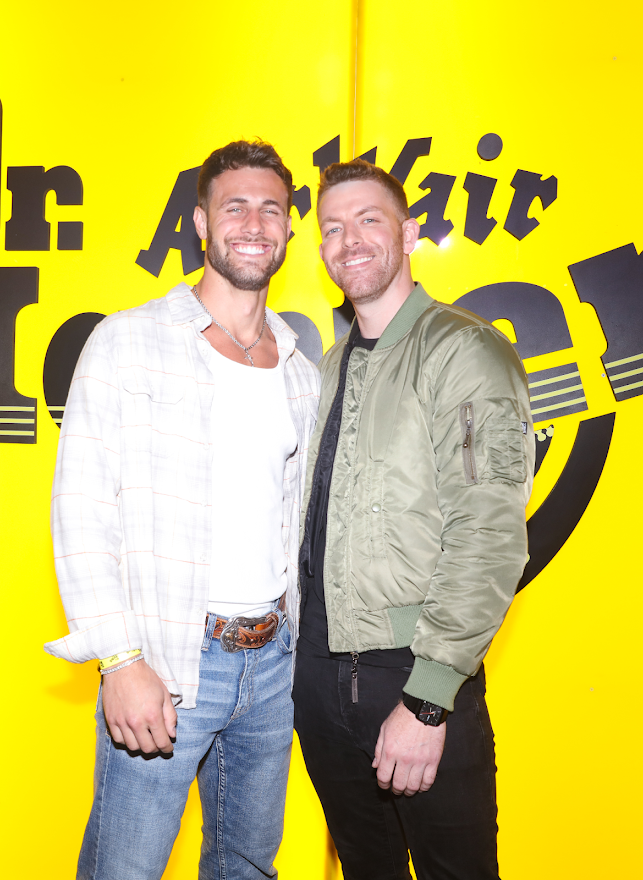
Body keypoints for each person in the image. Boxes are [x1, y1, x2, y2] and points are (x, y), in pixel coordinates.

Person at [44, 139, 320, 880]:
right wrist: (120, 659)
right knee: (124, 870)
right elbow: (80, 509)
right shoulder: (127, 342)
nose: (254, 224)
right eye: (236, 207)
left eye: (272, 209)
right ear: (201, 223)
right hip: (166, 660)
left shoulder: (300, 370)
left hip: (272, 665)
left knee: (248, 868)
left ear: (289, 228)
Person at [294, 159, 535, 880]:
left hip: (413, 673)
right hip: (319, 678)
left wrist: (428, 699)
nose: (348, 240)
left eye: (369, 219)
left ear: (409, 233)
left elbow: (488, 533)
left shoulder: (464, 350)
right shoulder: (329, 366)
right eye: (332, 227)